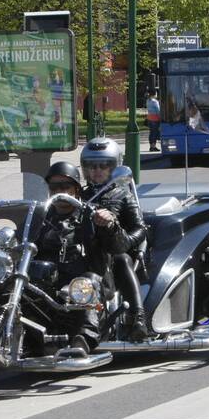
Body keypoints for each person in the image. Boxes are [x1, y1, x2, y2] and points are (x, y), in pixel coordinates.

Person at [35, 161, 128, 354]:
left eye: (65, 186)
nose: (59, 192)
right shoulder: (40, 217)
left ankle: (83, 339)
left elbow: (120, 246)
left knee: (87, 281)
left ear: (76, 189)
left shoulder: (92, 213)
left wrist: (110, 226)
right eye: (54, 187)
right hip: (50, 286)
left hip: (87, 284)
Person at [80, 137, 150, 339]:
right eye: (92, 166)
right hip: (87, 249)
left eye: (104, 165)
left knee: (121, 259)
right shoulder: (79, 195)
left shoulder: (122, 194)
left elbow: (141, 227)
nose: (97, 170)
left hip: (115, 250)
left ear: (115, 167)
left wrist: (127, 241)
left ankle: (138, 316)